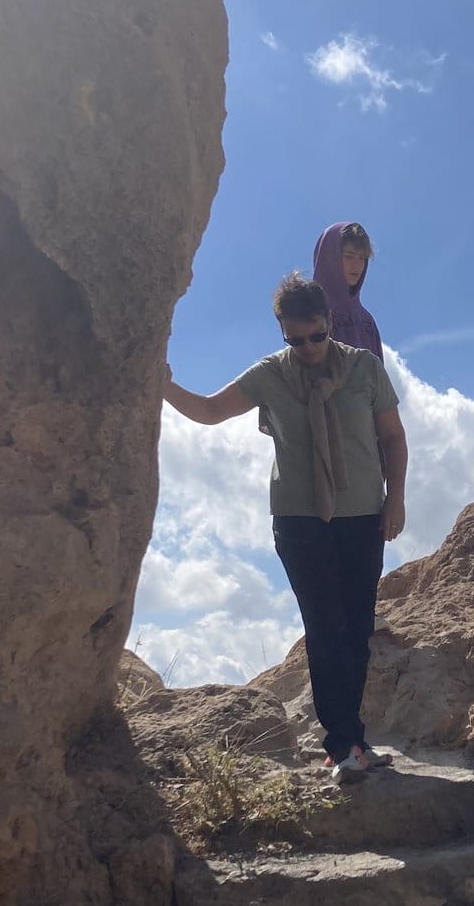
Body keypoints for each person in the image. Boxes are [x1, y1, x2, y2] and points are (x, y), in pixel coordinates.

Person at [164, 274, 407, 781]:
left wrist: (396, 499)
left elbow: (393, 437)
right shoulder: (271, 375)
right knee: (325, 629)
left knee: (358, 629)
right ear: (283, 334)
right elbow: (210, 411)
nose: (308, 347)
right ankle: (340, 746)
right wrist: (162, 384)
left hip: (362, 516)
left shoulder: (364, 369)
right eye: (295, 339)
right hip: (300, 522)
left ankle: (355, 741)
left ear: (329, 323)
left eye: (316, 335)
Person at [312, 222, 382, 358]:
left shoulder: (366, 322)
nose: (357, 265)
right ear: (329, 257)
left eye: (362, 258)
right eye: (349, 256)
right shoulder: (310, 313)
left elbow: (379, 376)